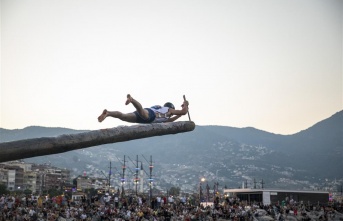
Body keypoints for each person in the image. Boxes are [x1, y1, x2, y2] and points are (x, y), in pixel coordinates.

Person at [98, 94, 189, 124]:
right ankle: (132, 100)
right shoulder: (168, 110)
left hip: (145, 116)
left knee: (123, 116)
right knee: (142, 112)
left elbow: (171, 120)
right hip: (151, 115)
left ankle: (108, 113)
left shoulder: (164, 114)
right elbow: (184, 112)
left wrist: (180, 114)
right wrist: (185, 105)